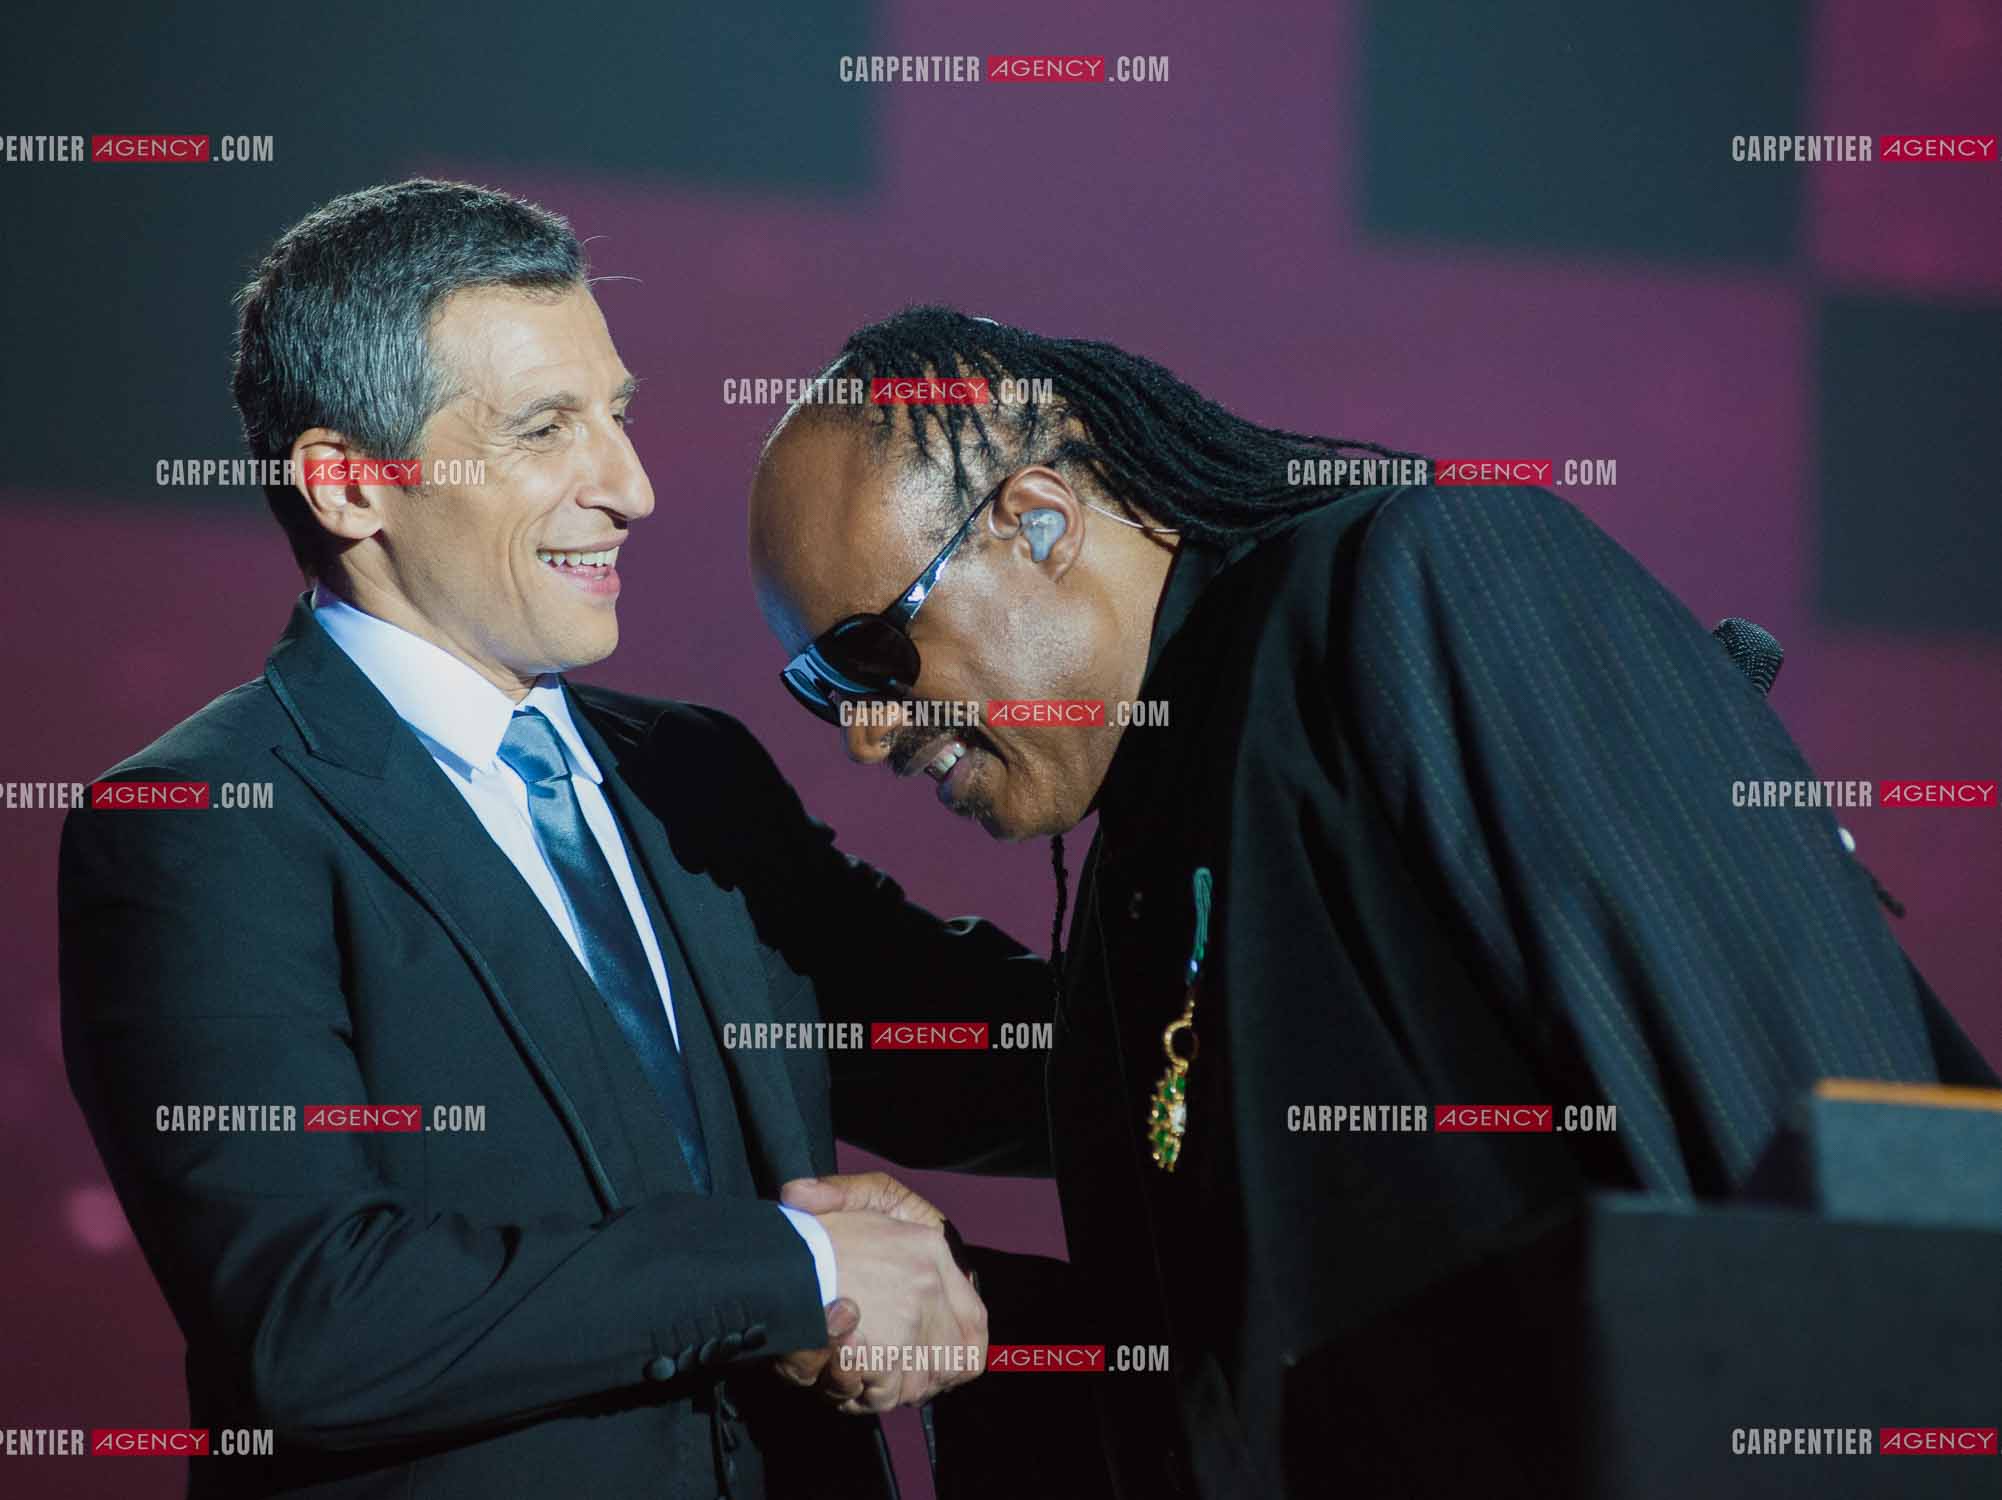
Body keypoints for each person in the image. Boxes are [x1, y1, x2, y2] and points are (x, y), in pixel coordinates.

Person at [746, 305, 2001, 1497]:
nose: (865, 735)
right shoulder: (1147, 844)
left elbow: (1787, 1081)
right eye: (819, 692)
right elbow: (1270, 1370)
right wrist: (934, 1304)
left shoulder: (1421, 577)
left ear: (1035, 522)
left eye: (871, 654)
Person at [59, 186, 1063, 1500]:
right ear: (351, 482)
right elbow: (318, 1323)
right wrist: (800, 1274)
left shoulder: (690, 773)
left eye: (618, 415)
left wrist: (1297, 1000)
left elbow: (968, 1057)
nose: (632, 489)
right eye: (545, 430)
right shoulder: (204, 829)